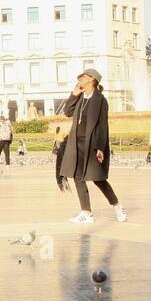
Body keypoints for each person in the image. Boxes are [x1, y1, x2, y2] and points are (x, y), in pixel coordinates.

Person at [58, 68, 124, 224]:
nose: (79, 79)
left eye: (83, 77)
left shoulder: (100, 100)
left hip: (92, 143)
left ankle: (117, 205)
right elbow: (67, 112)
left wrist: (100, 147)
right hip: (76, 143)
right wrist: (74, 94)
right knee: (77, 176)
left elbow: (102, 125)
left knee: (97, 178)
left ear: (92, 80)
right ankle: (86, 212)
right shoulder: (80, 97)